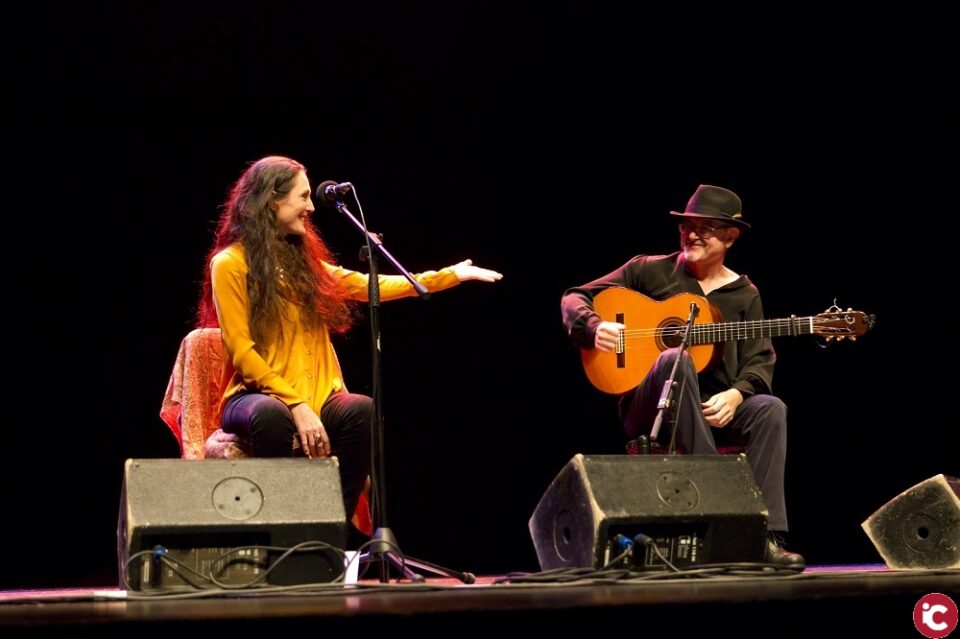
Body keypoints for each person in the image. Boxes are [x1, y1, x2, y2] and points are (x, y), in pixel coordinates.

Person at [196, 155, 502, 544]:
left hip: (313, 395)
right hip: (252, 396)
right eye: (303, 197)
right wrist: (296, 404)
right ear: (272, 201)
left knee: (360, 409)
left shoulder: (302, 264)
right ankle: (273, 535)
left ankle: (327, 534)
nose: (310, 207)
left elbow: (368, 284)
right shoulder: (229, 263)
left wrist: (449, 277)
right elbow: (241, 351)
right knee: (273, 416)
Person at [560, 184, 804, 568]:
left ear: (730, 236)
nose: (691, 234)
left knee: (770, 408)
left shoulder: (744, 294)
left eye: (705, 228)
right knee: (677, 358)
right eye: (686, 226)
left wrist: (738, 394)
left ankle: (763, 537)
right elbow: (575, 296)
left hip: (713, 410)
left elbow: (759, 361)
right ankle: (723, 502)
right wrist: (592, 327)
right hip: (650, 407)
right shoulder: (649, 270)